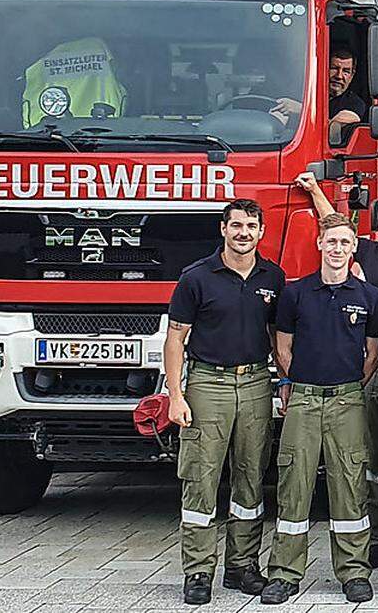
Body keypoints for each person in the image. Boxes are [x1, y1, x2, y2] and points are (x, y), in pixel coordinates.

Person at [259, 213, 378, 605]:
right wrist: (293, 382)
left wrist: (350, 386)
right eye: (331, 242)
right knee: (294, 484)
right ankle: (285, 573)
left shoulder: (369, 297)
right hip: (305, 399)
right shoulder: (295, 294)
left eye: (345, 243)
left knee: (349, 485)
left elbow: (372, 354)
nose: (337, 249)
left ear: (352, 248)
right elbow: (283, 346)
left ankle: (353, 571)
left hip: (348, 399)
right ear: (319, 244)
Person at [165, 199, 284, 606]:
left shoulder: (274, 276)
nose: (244, 232)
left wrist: (283, 382)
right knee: (201, 478)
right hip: (207, 385)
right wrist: (175, 395)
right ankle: (198, 572)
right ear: (223, 229)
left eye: (252, 225)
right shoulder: (196, 278)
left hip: (255, 384)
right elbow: (175, 338)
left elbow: (276, 338)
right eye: (236, 225)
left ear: (261, 232)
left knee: (251, 477)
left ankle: (242, 567)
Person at [273, 44, 366, 137]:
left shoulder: (354, 103)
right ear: (323, 68)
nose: (339, 76)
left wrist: (303, 110)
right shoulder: (302, 93)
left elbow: (332, 130)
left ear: (352, 76)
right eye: (334, 68)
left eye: (346, 71)